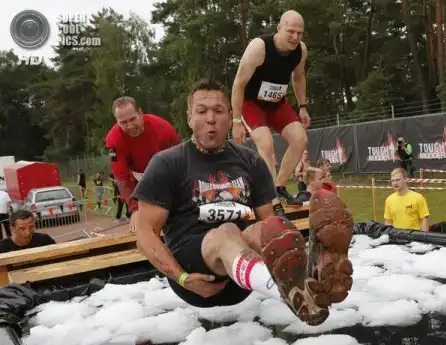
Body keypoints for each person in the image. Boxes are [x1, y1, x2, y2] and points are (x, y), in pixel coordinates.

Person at [133, 79, 354, 327]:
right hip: (193, 276)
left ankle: (313, 273)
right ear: (189, 118)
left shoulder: (250, 161)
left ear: (230, 117)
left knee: (271, 228)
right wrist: (181, 277)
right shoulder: (167, 163)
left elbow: (270, 224)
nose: (210, 119)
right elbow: (144, 234)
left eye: (218, 111)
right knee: (226, 232)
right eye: (202, 111)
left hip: (242, 280)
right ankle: (292, 294)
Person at [231, 10, 311, 214]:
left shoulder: (300, 50)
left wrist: (302, 106)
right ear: (279, 28)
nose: (295, 37)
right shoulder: (259, 47)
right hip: (252, 103)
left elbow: (299, 77)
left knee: (300, 139)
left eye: (299, 33)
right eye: (290, 31)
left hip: (276, 103)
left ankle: (278, 187)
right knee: (266, 144)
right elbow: (239, 83)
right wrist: (236, 120)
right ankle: (271, 199)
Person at [105, 96, 182, 232]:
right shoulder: (113, 140)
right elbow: (122, 177)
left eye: (132, 119)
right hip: (136, 176)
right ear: (116, 121)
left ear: (140, 113)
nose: (130, 126)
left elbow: (181, 162)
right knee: (143, 222)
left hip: (165, 170)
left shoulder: (163, 128)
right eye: (123, 122)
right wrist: (134, 209)